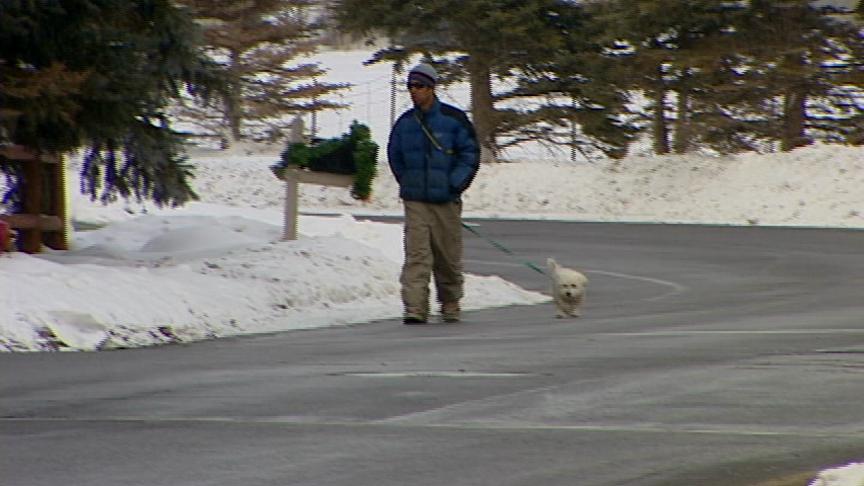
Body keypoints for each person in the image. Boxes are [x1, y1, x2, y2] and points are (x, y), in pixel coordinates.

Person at [387, 62, 480, 325]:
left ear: (431, 88)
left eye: (419, 86)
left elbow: (470, 154)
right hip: (415, 200)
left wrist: (454, 184)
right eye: (410, 86)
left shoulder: (454, 119)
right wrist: (408, 181)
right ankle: (415, 307)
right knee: (417, 255)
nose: (414, 91)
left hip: (446, 199)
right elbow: (394, 155)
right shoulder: (405, 123)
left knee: (447, 255)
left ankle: (450, 301)